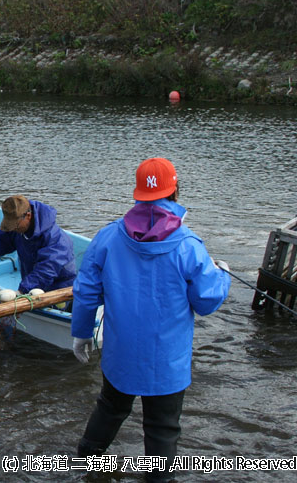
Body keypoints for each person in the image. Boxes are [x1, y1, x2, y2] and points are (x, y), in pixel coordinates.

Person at [70, 157, 230, 483]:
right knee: (162, 427)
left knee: (110, 408)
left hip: (121, 353)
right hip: (167, 360)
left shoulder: (109, 237)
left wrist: (81, 333)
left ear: (138, 193)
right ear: (175, 191)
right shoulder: (189, 246)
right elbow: (207, 301)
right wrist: (222, 274)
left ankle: (85, 466)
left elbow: (86, 292)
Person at [0, 195, 76, 298]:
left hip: (59, 289)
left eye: (15, 225)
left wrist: (21, 291)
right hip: (31, 285)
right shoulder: (17, 228)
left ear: (28, 216)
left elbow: (46, 271)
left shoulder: (56, 240)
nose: (13, 229)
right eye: (10, 225)